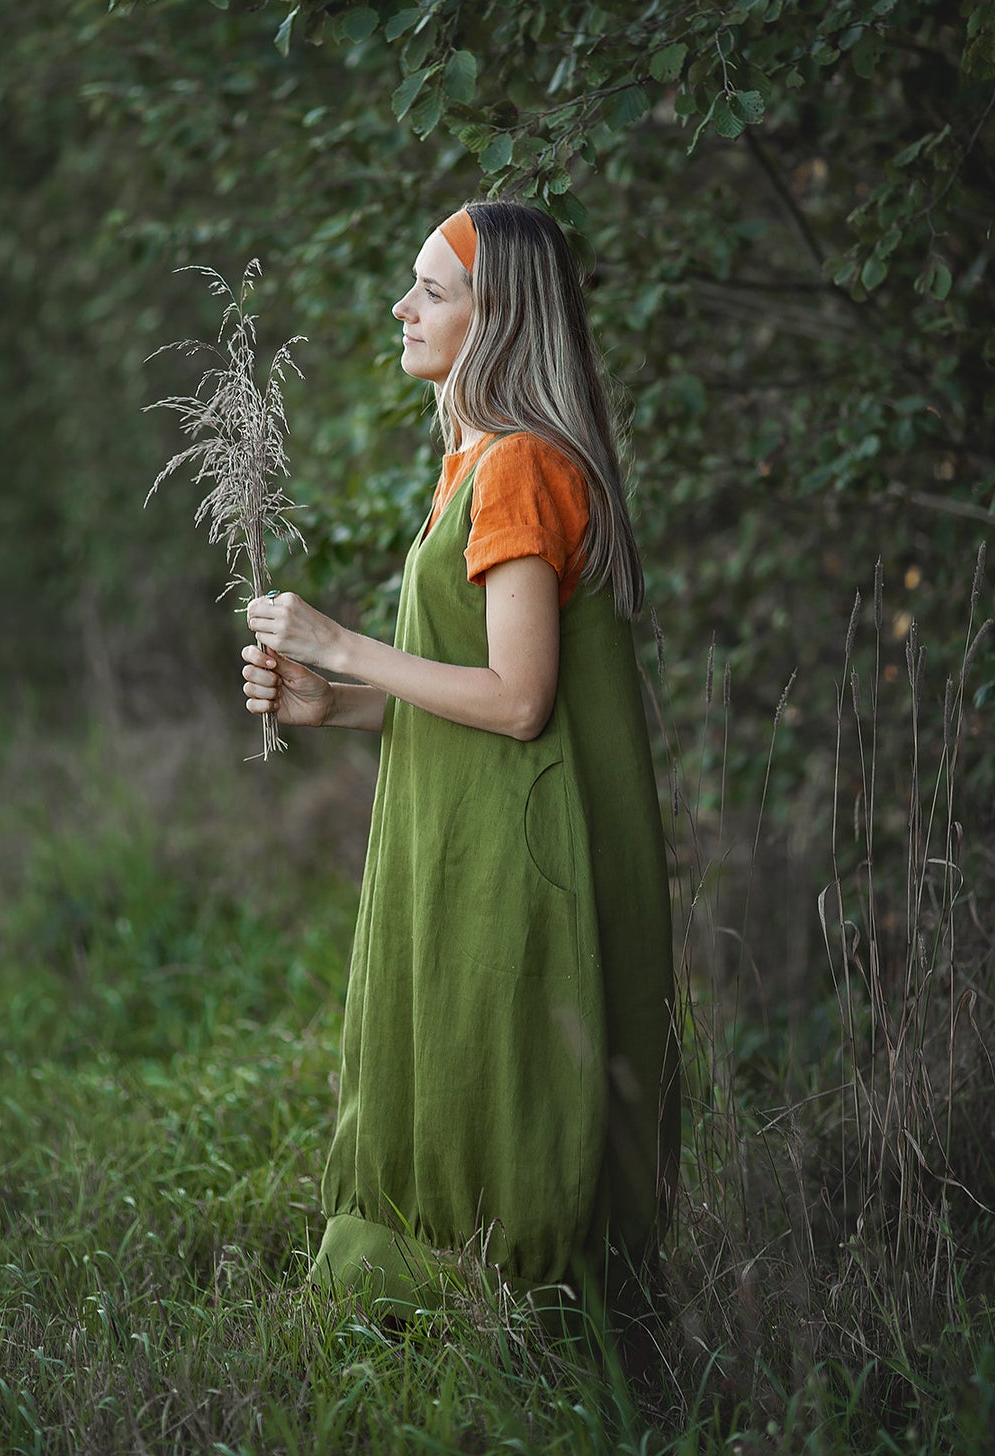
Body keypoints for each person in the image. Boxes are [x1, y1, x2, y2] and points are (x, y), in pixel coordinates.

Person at [242, 199, 678, 1330]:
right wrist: (333, 703)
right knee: (451, 1064)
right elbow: (466, 694)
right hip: (456, 826)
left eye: (432, 289)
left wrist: (343, 641)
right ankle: (440, 1319)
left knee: (507, 1078)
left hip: (520, 849)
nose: (403, 306)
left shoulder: (524, 467)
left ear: (500, 322)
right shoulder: (475, 461)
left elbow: (521, 703)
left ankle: (506, 1328)